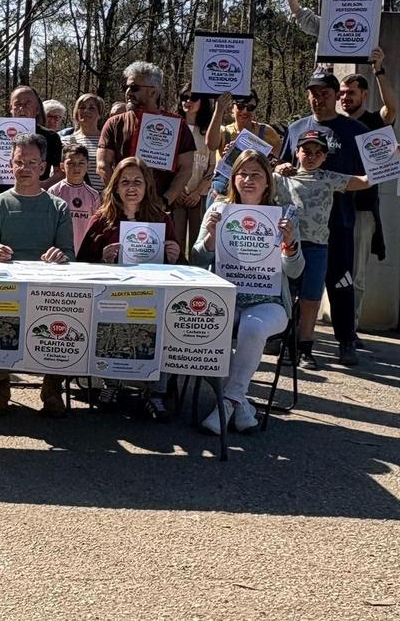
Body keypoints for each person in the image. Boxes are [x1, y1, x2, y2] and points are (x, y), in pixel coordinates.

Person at [191, 150, 304, 434]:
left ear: (268, 181)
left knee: (252, 328)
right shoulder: (218, 210)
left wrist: (290, 246)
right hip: (226, 299)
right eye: (242, 173)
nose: (249, 179)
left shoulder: (282, 217)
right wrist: (211, 239)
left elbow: (295, 272)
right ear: (233, 178)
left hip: (270, 302)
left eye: (256, 174)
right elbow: (197, 259)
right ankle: (241, 405)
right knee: (198, 330)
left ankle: (227, 402)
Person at [0, 133, 74, 417]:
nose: (26, 168)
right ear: (11, 164)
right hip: (5, 290)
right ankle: (0, 382)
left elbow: (70, 253)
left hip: (48, 291)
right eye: (20, 162)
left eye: (32, 162)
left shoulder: (58, 207)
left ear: (43, 167)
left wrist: (60, 257)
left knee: (66, 316)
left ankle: (53, 385)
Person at [76, 156, 181, 419]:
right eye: (125, 182)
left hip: (154, 295)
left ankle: (155, 393)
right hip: (113, 296)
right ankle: (112, 384)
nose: (131, 187)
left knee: (164, 319)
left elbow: (182, 268)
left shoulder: (161, 219)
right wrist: (103, 259)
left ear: (147, 186)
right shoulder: (102, 219)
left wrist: (175, 254)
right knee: (113, 315)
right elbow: (81, 265)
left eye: (137, 181)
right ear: (115, 186)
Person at [279, 71, 370, 365]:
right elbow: (283, 163)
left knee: (340, 280)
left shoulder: (354, 130)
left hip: (339, 219)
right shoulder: (296, 128)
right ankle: (287, 338)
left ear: (336, 96)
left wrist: (396, 161)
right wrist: (281, 168)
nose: (318, 99)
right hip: (298, 225)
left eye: (325, 94)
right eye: (313, 94)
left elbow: (368, 172)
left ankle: (346, 340)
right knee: (292, 283)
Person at [337, 48, 400, 334]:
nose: (344, 97)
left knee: (356, 274)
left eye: (351, 92)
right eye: (341, 93)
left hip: (362, 209)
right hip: (333, 207)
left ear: (364, 95)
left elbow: (392, 109)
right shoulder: (334, 125)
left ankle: (351, 329)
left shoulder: (375, 123)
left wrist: (379, 69)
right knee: (333, 270)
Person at [97, 62, 195, 212]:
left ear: (153, 92)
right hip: (121, 209)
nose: (128, 92)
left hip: (160, 211)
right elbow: (103, 165)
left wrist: (164, 201)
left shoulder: (177, 126)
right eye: (126, 87)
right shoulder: (114, 123)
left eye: (135, 88)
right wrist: (121, 197)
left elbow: (186, 169)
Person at [0, 85, 65, 192]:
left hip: (36, 199)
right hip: (3, 199)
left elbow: (61, 172)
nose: (22, 108)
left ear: (37, 109)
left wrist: (44, 184)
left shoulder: (51, 137)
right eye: (17, 104)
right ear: (10, 108)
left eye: (27, 104)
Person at [171, 89, 221, 261]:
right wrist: (176, 190)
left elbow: (212, 166)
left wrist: (198, 191)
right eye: (184, 97)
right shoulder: (173, 127)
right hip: (176, 194)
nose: (188, 101)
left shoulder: (209, 130)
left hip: (199, 196)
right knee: (175, 242)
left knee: (197, 242)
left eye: (193, 98)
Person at [47, 143, 102, 253]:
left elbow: (96, 226)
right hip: (60, 251)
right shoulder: (54, 191)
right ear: (62, 166)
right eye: (71, 163)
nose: (76, 167)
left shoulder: (94, 195)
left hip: (84, 251)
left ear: (88, 166)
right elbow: (49, 224)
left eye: (81, 163)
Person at [60, 93, 105, 190]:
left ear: (99, 114)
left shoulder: (107, 140)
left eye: (91, 108)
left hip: (104, 198)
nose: (86, 111)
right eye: (82, 107)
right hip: (74, 197)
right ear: (76, 113)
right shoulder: (66, 141)